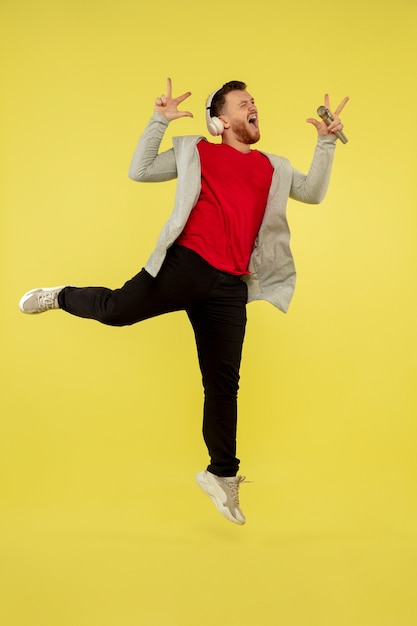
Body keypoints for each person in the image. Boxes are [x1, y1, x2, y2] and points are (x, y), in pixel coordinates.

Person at [19, 78, 349, 525]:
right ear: (221, 120)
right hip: (186, 265)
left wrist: (325, 144)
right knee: (117, 311)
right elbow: (140, 170)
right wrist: (158, 121)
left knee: (223, 385)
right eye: (243, 103)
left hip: (232, 286)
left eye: (255, 103)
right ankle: (59, 295)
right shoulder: (198, 151)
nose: (254, 107)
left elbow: (312, 192)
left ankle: (222, 475)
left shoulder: (273, 167)